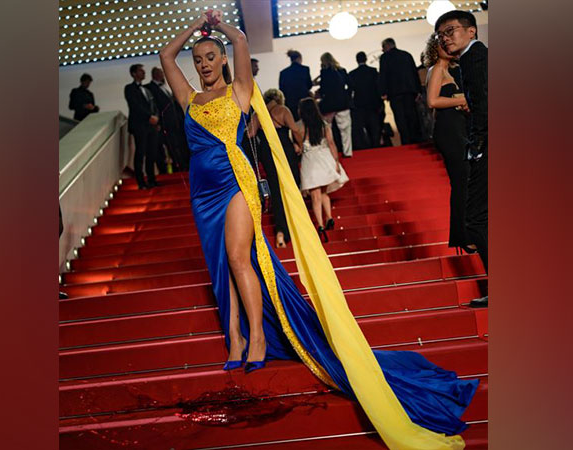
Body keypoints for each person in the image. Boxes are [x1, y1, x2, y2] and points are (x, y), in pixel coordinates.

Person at [159, 9, 478, 449]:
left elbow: (241, 45)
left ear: (223, 59)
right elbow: (165, 54)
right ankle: (233, 340)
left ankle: (255, 341)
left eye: (211, 56)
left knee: (238, 257)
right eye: (199, 59)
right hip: (201, 190)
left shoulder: (239, 90)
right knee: (219, 264)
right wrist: (195, 29)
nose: (203, 64)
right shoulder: (188, 99)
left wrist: (223, 28)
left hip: (235, 182)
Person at [436, 11, 488, 308]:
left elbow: (485, 102)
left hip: (485, 143)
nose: (445, 37)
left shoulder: (475, 57)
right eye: (441, 34)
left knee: (477, 218)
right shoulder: (469, 59)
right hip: (478, 139)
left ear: (471, 32)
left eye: (451, 30)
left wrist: (478, 142)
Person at [424, 34, 476, 255]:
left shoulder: (448, 70)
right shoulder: (436, 69)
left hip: (457, 128)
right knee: (462, 181)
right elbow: (432, 101)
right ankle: (464, 236)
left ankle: (466, 235)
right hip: (448, 131)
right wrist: (462, 100)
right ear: (435, 48)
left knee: (465, 181)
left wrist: (462, 104)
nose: (447, 46)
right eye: (442, 44)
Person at [248, 89, 303, 248]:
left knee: (276, 190)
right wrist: (300, 145)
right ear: (279, 98)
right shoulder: (283, 110)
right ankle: (296, 227)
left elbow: (250, 134)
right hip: (284, 150)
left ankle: (280, 232)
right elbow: (295, 130)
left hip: (267, 153)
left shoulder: (259, 113)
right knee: (292, 187)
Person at [297, 97, 348, 242]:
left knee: (315, 196)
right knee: (324, 192)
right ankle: (330, 218)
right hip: (324, 160)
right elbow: (331, 143)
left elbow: (299, 147)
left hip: (310, 162)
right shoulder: (324, 125)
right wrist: (336, 162)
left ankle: (319, 225)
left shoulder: (299, 127)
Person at [379, 38, 422, 145]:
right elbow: (414, 73)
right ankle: (415, 139)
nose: (382, 50)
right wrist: (418, 91)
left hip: (394, 93)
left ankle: (406, 140)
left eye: (383, 47)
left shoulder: (385, 58)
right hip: (409, 91)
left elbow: (383, 75)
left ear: (387, 46)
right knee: (411, 116)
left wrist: (383, 92)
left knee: (400, 118)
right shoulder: (406, 55)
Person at [146, 66, 190, 172]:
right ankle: (176, 168)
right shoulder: (149, 88)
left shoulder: (165, 87)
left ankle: (182, 165)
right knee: (169, 148)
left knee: (178, 145)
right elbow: (154, 106)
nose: (163, 75)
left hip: (175, 122)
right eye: (161, 73)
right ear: (155, 74)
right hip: (163, 124)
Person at [124, 64, 160, 189]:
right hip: (140, 126)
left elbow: (154, 106)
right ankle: (141, 182)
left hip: (151, 126)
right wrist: (149, 116)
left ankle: (152, 179)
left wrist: (156, 118)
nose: (143, 72)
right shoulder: (129, 88)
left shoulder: (147, 90)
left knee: (152, 153)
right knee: (140, 153)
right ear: (133, 73)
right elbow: (135, 106)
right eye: (140, 71)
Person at [315, 52, 353, 157]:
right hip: (342, 104)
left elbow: (324, 89)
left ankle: (330, 152)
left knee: (328, 130)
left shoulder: (324, 72)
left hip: (329, 105)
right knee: (345, 130)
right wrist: (346, 96)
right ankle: (347, 152)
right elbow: (350, 85)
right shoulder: (342, 70)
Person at [349, 51, 383, 149]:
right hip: (373, 103)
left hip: (359, 104)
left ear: (356, 60)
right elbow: (378, 87)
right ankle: (375, 146)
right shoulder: (373, 71)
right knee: (374, 127)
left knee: (362, 128)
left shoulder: (352, 74)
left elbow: (351, 90)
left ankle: (366, 147)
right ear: (366, 59)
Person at [279, 50, 313, 121]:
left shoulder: (283, 73)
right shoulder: (305, 69)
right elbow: (309, 85)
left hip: (290, 102)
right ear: (299, 58)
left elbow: (281, 89)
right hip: (304, 101)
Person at [417, 52, 435, 140]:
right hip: (424, 93)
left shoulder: (435, 68)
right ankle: (428, 135)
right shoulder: (418, 70)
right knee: (425, 116)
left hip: (433, 92)